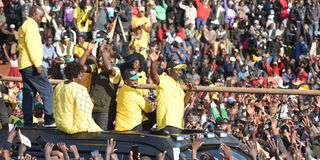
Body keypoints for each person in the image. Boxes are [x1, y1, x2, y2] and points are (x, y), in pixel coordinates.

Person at [18, 5, 55, 127]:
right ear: (34, 14)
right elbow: (31, 46)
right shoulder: (31, 26)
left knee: (29, 93)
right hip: (32, 65)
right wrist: (38, 64)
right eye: (40, 17)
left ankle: (28, 122)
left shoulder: (26, 25)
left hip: (24, 64)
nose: (41, 20)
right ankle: (50, 120)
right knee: (47, 90)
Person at [79, 40, 121, 131]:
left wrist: (102, 51)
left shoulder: (115, 69)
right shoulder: (95, 68)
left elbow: (109, 68)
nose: (100, 59)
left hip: (105, 112)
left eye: (103, 57)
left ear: (110, 60)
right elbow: (79, 67)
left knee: (102, 138)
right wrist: (88, 51)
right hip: (91, 109)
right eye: (99, 57)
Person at [150, 49, 193, 134]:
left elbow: (183, 104)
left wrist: (189, 92)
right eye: (177, 70)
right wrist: (153, 63)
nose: (180, 73)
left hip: (178, 125)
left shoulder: (179, 86)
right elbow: (154, 78)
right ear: (169, 71)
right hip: (168, 124)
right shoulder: (164, 78)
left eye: (181, 70)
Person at [53, 62, 103, 134]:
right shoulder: (79, 88)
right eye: (81, 76)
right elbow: (84, 112)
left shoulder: (59, 86)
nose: (83, 78)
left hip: (60, 124)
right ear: (73, 76)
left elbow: (55, 104)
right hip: (73, 127)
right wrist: (90, 102)